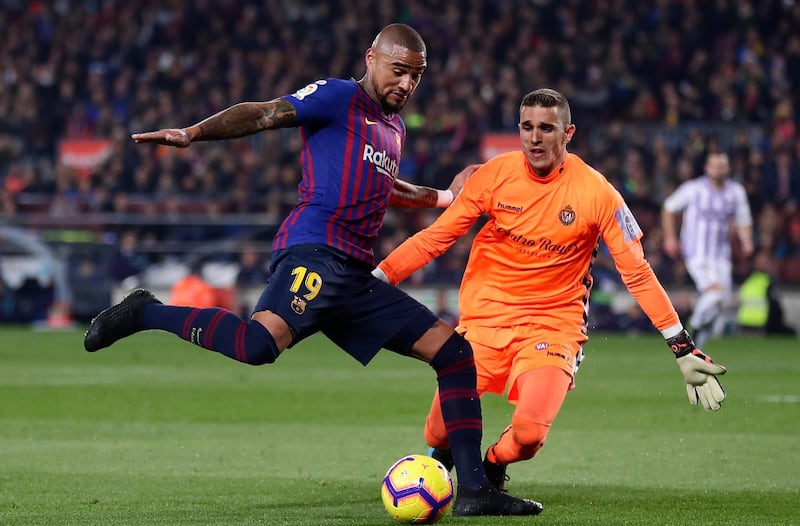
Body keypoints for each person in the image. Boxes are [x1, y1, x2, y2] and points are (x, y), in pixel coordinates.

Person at [83, 23, 541, 517]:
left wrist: (446, 197)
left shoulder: (395, 129)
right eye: (398, 70)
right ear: (371, 58)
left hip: (354, 277)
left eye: (417, 76)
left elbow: (387, 185)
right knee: (258, 346)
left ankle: (474, 491)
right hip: (315, 252)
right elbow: (266, 112)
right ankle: (145, 313)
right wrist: (194, 133)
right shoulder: (338, 96)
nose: (406, 84)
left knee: (454, 353)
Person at [372, 88, 727, 491]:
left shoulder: (598, 193)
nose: (535, 138)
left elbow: (637, 272)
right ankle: (444, 465)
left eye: (546, 128)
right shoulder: (493, 176)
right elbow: (436, 238)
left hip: (553, 326)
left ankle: (490, 467)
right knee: (437, 432)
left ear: (567, 132)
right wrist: (378, 280)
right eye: (527, 127)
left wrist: (681, 346)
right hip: (486, 319)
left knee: (528, 437)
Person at [662, 152, 754, 348]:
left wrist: (746, 241)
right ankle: (691, 328)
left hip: (722, 256)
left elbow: (743, 220)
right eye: (715, 165)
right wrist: (670, 238)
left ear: (728, 168)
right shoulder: (693, 189)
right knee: (715, 293)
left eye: (722, 165)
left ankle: (697, 350)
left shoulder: (735, 192)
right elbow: (669, 207)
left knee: (720, 303)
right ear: (707, 168)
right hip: (697, 253)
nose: (719, 169)